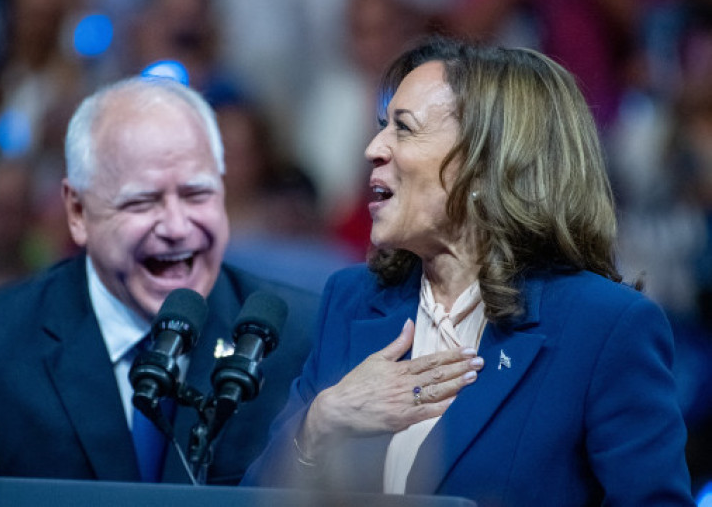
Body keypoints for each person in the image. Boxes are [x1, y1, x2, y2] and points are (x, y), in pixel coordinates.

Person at [242, 36, 694, 506]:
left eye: (404, 128)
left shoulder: (604, 327)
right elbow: (250, 501)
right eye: (382, 126)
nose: (374, 148)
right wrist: (321, 421)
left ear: (484, 162)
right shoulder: (351, 298)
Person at [0, 75, 319, 485]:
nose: (176, 226)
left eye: (196, 194)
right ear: (77, 213)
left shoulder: (304, 340)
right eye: (142, 201)